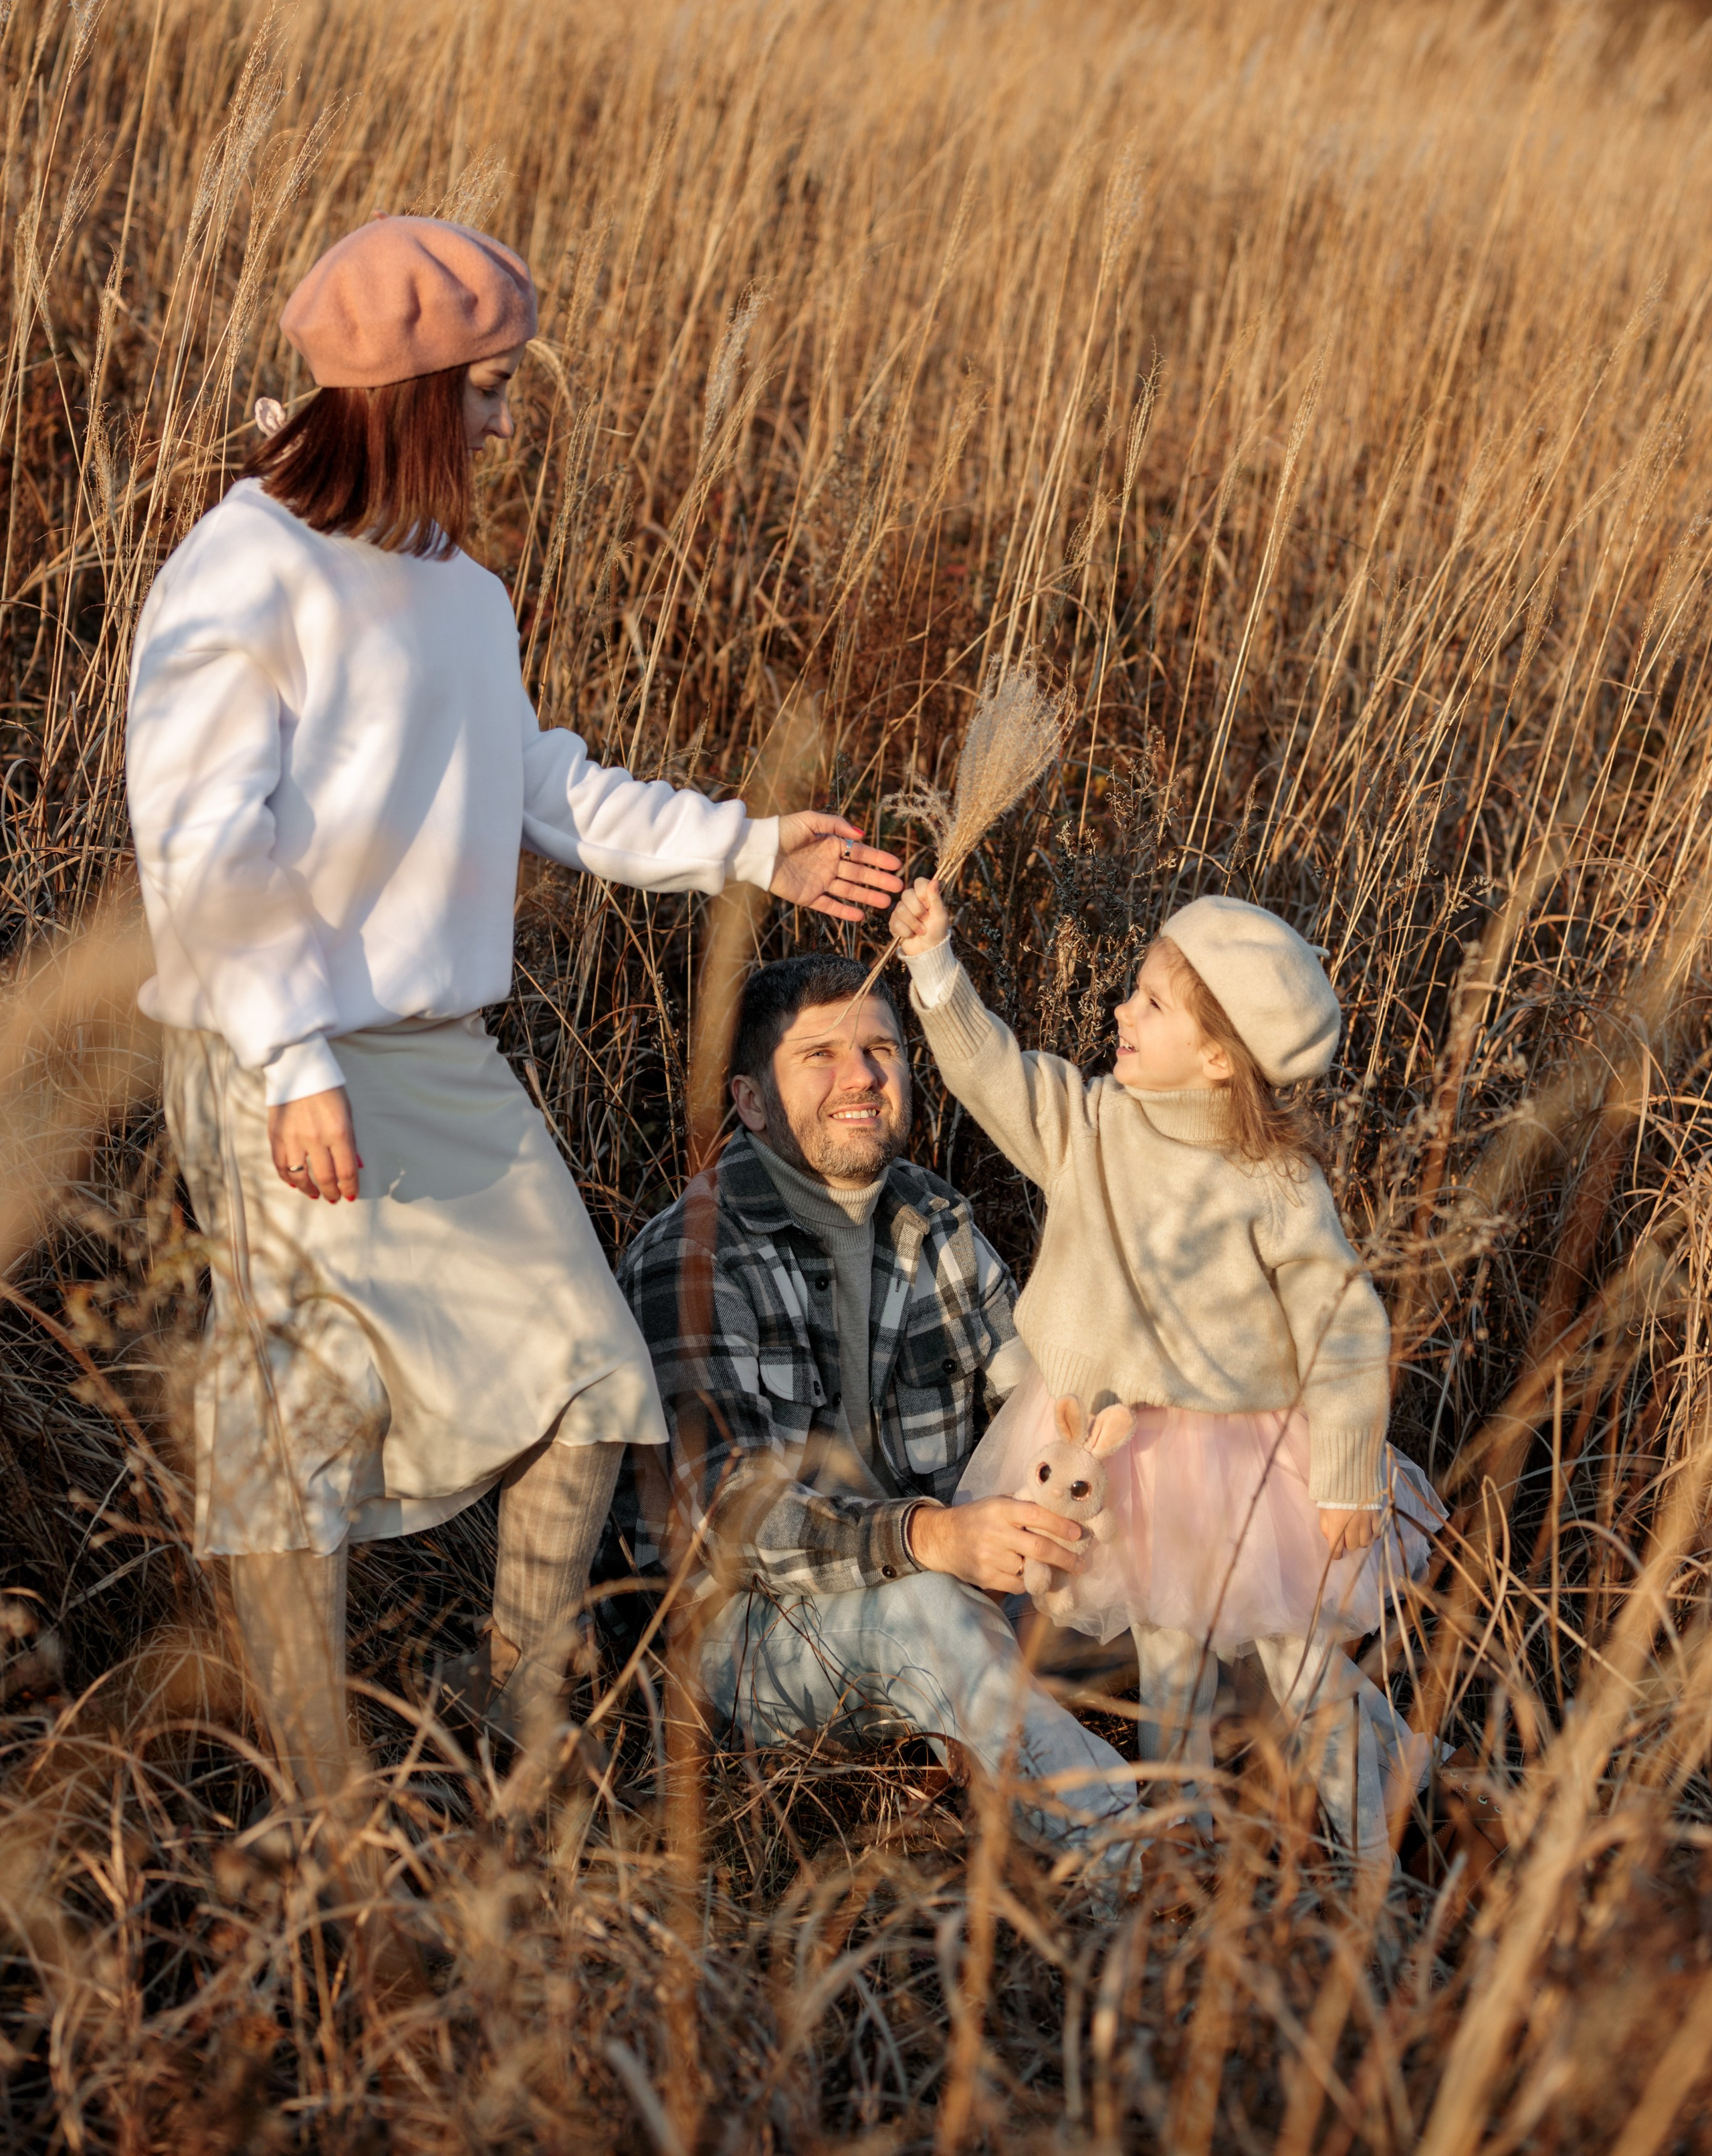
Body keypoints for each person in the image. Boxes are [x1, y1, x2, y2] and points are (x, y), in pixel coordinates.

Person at [125, 213, 901, 1799]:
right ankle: (316, 1799)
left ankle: (516, 1729)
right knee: (305, 1427)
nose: (499, 418)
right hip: (293, 1064)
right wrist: (288, 1061)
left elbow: (540, 784)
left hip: (447, 1066)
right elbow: (204, 841)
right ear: (398, 391)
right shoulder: (244, 569)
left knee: (590, 1380)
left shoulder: (457, 591)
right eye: (479, 388)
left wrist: (750, 846)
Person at [888, 879, 1444, 1872]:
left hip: (1250, 1465)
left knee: (1306, 1666)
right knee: (1170, 1670)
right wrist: (935, 968)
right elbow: (995, 1073)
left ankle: (1378, 1863)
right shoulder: (1093, 1123)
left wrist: (1350, 1470)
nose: (1119, 1011)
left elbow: (1345, 1324)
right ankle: (1178, 1860)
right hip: (1123, 1450)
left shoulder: (1277, 1183)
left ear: (1222, 1055)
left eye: (1150, 1002)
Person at [617, 953, 1140, 1870]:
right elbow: (727, 1514)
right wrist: (931, 1538)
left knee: (1184, 1561)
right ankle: (1134, 1863)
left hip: (957, 1591)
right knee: (929, 1609)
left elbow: (1037, 1397)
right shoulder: (692, 1257)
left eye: (882, 1050)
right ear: (749, 1099)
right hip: (752, 1645)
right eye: (819, 1054)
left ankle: (1407, 1784)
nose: (862, 1075)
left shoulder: (932, 1218)